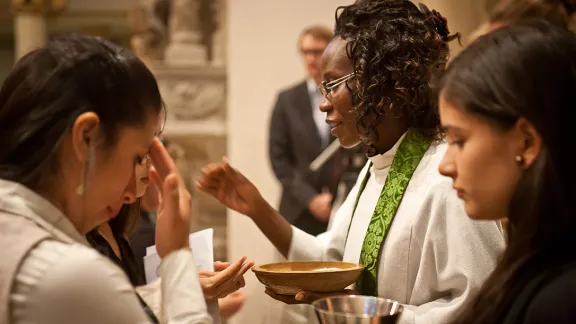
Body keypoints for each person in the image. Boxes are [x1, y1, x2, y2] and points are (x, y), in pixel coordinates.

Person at [197, 1, 505, 323]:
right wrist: (256, 207)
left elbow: (480, 305)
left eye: (331, 85)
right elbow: (332, 258)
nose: (324, 105)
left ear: (382, 82)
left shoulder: (447, 179)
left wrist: (368, 314)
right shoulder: (376, 168)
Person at [0, 34, 240, 324]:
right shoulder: (67, 273)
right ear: (85, 138)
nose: (130, 194)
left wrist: (178, 289)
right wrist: (177, 256)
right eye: (137, 157)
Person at [438, 19, 576, 324]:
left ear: (526, 143)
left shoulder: (560, 299)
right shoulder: (530, 260)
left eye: (458, 140)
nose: (444, 165)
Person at [87, 158, 251, 323]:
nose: (149, 162)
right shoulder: (87, 245)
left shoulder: (118, 231)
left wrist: (188, 283)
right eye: (139, 153)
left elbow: (133, 305)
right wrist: (185, 286)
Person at [269, 25, 343, 236]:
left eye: (318, 52)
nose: (311, 59)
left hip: (338, 209)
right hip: (297, 210)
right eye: (306, 52)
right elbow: (279, 160)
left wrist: (336, 198)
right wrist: (310, 199)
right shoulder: (287, 100)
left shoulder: (346, 96)